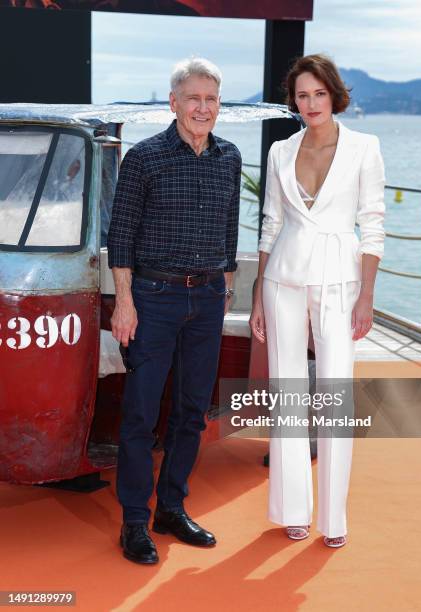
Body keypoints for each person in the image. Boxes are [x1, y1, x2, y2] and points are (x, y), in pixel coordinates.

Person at [107, 57, 241, 565]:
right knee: (141, 413)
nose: (202, 107)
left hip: (206, 300)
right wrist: (124, 303)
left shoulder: (229, 157)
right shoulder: (144, 158)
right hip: (153, 300)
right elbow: (121, 237)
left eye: (211, 99)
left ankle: (171, 507)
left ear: (218, 105)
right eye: (193, 98)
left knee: (191, 413)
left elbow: (230, 230)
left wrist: (224, 290)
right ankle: (135, 522)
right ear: (173, 102)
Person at [250, 54, 385, 548]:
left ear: (334, 95)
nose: (310, 103)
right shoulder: (280, 152)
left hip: (340, 281)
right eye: (302, 95)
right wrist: (258, 294)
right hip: (282, 278)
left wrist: (367, 295)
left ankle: (334, 519)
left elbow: (372, 225)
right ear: (295, 100)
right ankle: (292, 510)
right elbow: (270, 223)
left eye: (319, 94)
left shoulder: (364, 147)